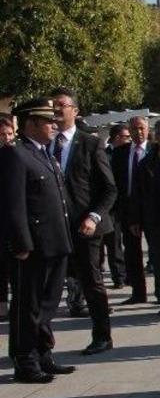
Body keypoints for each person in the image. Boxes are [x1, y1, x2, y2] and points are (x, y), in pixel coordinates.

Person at [1, 99, 74, 383]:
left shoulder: (43, 153)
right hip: (32, 247)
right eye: (47, 121)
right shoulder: (15, 155)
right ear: (30, 124)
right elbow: (13, 203)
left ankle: (43, 353)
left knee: (47, 305)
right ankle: (25, 360)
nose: (54, 126)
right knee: (27, 307)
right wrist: (20, 243)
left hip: (54, 243)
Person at [50, 87, 117, 355]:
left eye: (61, 105)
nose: (56, 110)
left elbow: (109, 188)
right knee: (48, 284)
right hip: (55, 227)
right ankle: (41, 345)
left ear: (75, 111)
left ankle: (102, 336)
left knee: (92, 282)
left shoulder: (90, 144)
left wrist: (93, 216)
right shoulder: (45, 145)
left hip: (85, 227)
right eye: (53, 105)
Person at [130, 118, 160, 317]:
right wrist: (135, 219)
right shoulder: (147, 163)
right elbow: (138, 194)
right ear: (156, 137)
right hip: (155, 220)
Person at [110, 115, 150, 304]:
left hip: (152, 209)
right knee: (132, 253)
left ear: (148, 130)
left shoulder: (155, 150)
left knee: (158, 252)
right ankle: (138, 293)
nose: (138, 132)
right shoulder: (120, 153)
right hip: (127, 210)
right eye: (134, 129)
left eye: (141, 128)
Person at [102, 123, 128, 289]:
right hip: (110, 207)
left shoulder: (127, 153)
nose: (129, 140)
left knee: (125, 243)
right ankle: (119, 277)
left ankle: (126, 274)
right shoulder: (105, 155)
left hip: (124, 205)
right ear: (117, 138)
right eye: (126, 137)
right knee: (113, 243)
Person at [0, 113, 15, 322]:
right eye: (3, 134)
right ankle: (2, 306)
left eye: (10, 134)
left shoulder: (19, 155)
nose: (7, 138)